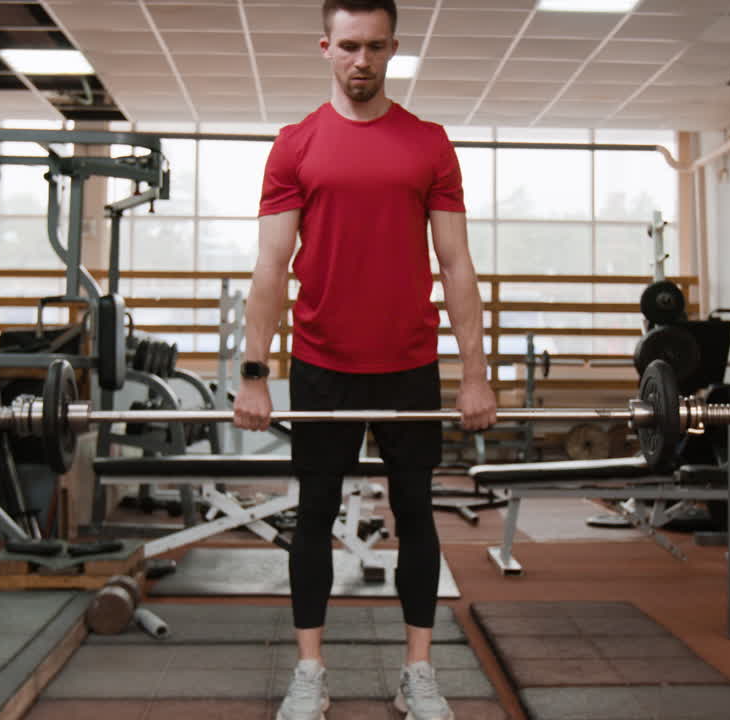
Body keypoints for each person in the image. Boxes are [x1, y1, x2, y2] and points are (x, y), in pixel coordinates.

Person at [231, 1, 497, 717]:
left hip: (409, 365)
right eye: (349, 46)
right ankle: (311, 673)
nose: (362, 61)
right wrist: (254, 373)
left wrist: (475, 373)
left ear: (393, 49)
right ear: (326, 46)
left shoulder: (429, 144)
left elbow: (457, 264)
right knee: (313, 514)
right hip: (321, 365)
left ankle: (419, 673)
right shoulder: (295, 145)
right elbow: (269, 264)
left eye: (376, 47)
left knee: (417, 512)